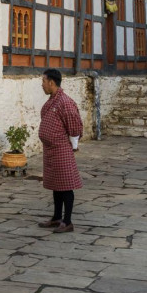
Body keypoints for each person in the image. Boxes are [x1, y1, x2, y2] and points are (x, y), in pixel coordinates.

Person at [36, 69, 83, 233]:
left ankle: (67, 221)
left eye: (43, 81)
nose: (42, 85)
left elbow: (74, 126)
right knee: (57, 185)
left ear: (51, 82)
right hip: (50, 150)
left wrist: (73, 145)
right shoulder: (52, 101)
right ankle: (56, 217)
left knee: (66, 185)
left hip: (62, 148)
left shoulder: (65, 102)